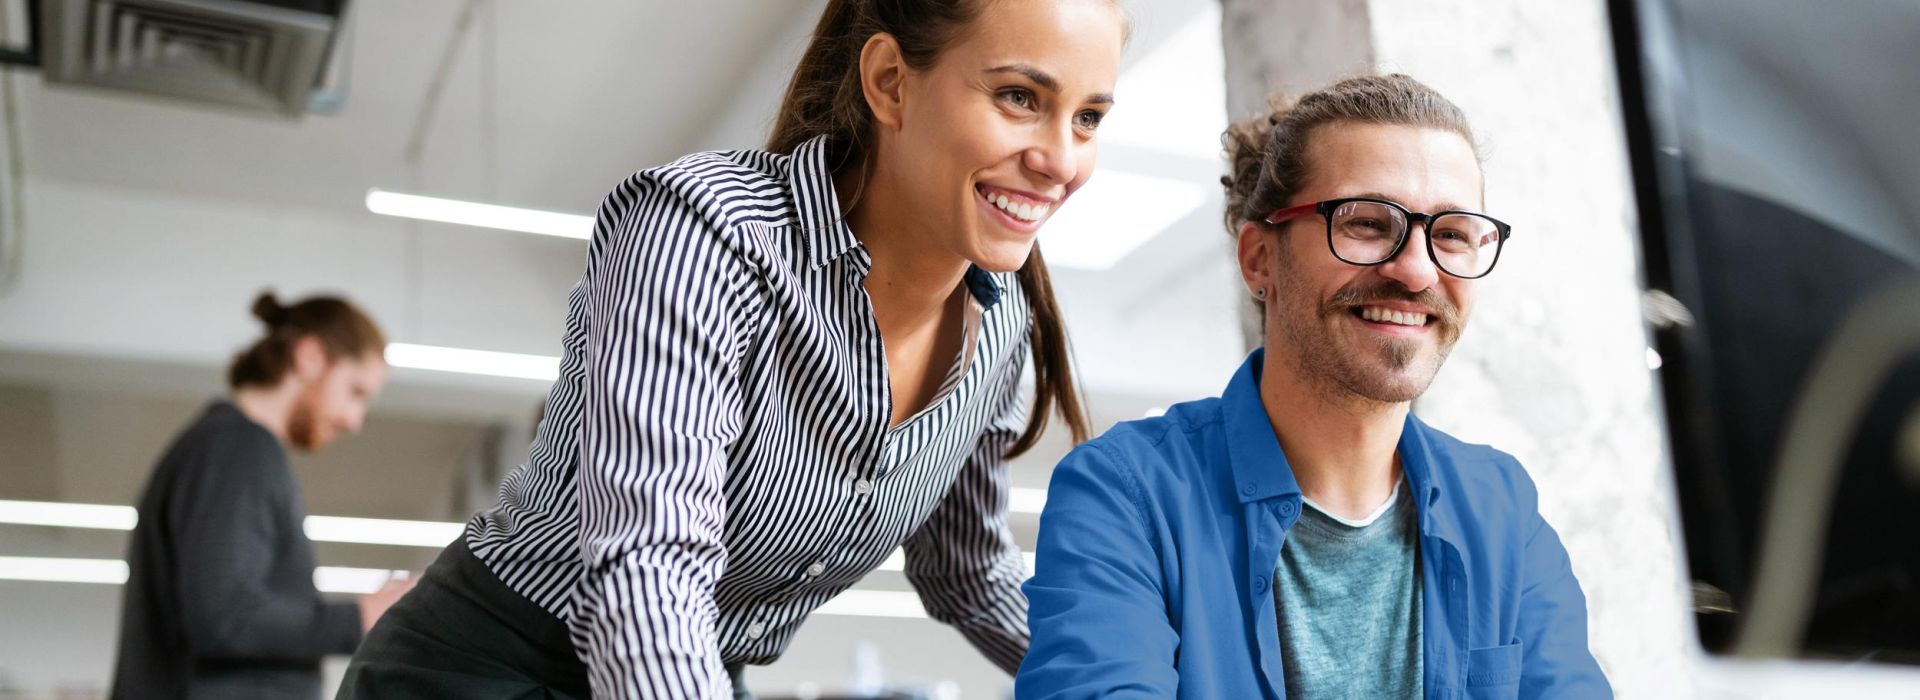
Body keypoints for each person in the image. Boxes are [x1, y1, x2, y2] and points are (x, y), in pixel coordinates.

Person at [338, 0, 1122, 696]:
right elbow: (651, 564)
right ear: (890, 81)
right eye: (1020, 98)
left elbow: (969, 573)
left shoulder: (1001, 329)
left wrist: (1138, 680)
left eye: (1088, 117)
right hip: (488, 668)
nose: (1062, 160)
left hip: (696, 665)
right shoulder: (706, 232)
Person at [1017, 74, 1612, 699]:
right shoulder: (1126, 494)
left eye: (1453, 234)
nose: (1415, 269)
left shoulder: (1500, 506)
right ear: (1259, 260)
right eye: (1366, 223)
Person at [112, 292, 411, 700]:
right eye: (355, 391)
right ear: (310, 358)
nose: (353, 421)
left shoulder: (230, 448)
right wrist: (360, 617)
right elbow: (225, 617)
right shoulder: (235, 448)